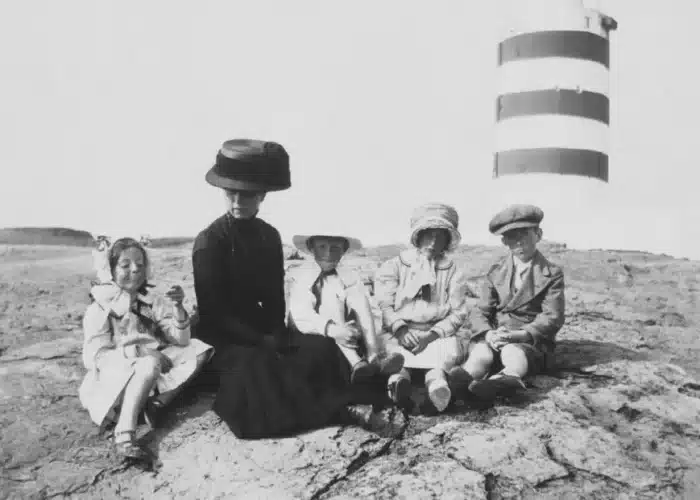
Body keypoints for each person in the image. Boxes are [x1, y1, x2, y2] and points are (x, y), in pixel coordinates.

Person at [192, 139, 355, 439]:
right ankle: (341, 410)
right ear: (223, 193)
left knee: (320, 349)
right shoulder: (208, 241)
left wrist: (278, 334)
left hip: (262, 331)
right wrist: (261, 341)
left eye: (248, 194)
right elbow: (213, 313)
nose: (238, 201)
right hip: (223, 340)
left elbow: (273, 297)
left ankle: (340, 403)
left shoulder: (268, 236)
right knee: (257, 371)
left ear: (262, 195)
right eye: (231, 193)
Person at [79, 236, 213, 461]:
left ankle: (157, 404)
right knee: (149, 364)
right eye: (125, 265)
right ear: (110, 269)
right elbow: (95, 358)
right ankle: (124, 435)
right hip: (117, 374)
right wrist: (139, 353)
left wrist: (178, 307)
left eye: (140, 265)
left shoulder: (151, 300)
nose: (134, 270)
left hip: (153, 365)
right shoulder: (100, 307)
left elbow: (180, 339)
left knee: (200, 349)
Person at [448, 204, 565, 400]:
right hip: (496, 335)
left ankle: (504, 380)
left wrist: (519, 335)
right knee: (481, 354)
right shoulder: (496, 271)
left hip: (528, 341)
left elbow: (552, 317)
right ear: (504, 241)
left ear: (538, 234)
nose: (518, 241)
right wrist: (488, 333)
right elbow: (480, 310)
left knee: (513, 353)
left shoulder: (551, 274)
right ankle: (462, 383)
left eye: (524, 234)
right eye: (511, 236)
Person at [374, 203, 470, 412]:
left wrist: (432, 335)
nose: (433, 242)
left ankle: (437, 386)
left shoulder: (454, 271)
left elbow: (458, 312)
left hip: (435, 333)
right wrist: (400, 328)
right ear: (418, 235)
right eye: (428, 234)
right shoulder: (396, 265)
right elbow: (383, 303)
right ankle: (399, 382)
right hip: (400, 332)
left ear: (447, 240)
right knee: (394, 356)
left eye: (440, 236)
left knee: (443, 356)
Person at [287, 230, 404, 384]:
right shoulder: (303, 276)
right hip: (314, 330)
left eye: (335, 248)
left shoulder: (350, 276)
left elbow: (371, 308)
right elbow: (302, 314)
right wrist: (334, 330)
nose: (328, 253)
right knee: (331, 300)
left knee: (360, 298)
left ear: (343, 251)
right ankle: (355, 362)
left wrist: (358, 329)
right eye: (322, 247)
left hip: (349, 330)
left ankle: (373, 354)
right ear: (311, 248)